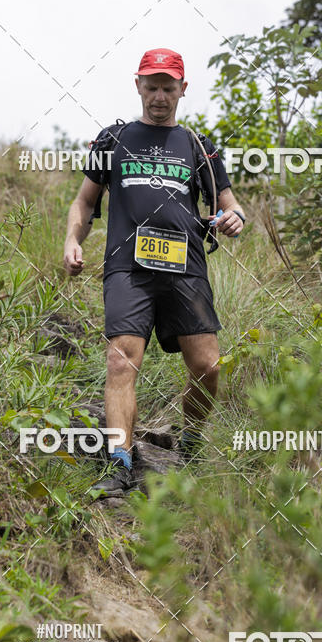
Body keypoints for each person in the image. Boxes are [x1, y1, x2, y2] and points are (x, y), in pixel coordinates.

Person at [63, 48, 245, 496]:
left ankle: (190, 444)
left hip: (186, 266)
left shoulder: (199, 145)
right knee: (121, 358)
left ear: (183, 90)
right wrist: (72, 240)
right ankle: (120, 464)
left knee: (207, 367)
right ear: (138, 86)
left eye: (168, 87)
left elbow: (229, 204)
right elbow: (85, 202)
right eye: (151, 86)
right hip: (128, 266)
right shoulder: (114, 140)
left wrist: (236, 217)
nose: (159, 96)